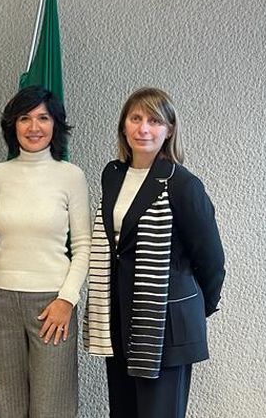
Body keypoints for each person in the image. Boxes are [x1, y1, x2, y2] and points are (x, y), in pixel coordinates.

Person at [84, 87, 226, 418]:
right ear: (123, 126)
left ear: (169, 130)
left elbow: (211, 259)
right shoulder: (113, 175)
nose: (143, 129)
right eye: (135, 118)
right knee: (123, 412)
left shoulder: (182, 184)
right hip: (119, 319)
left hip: (164, 324)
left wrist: (193, 308)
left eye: (154, 121)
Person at [0, 85, 92, 418]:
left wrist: (67, 299)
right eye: (25, 118)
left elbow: (83, 245)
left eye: (43, 118)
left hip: (51, 305)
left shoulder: (71, 176)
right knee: (9, 406)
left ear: (56, 124)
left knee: (51, 407)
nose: (34, 127)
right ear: (13, 125)